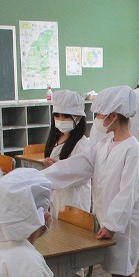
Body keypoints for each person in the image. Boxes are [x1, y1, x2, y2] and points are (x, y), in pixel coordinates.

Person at [43, 86, 139, 277]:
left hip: (122, 224)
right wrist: (43, 177)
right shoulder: (104, 144)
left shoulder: (132, 150)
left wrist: (112, 224)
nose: (97, 120)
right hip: (106, 219)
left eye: (100, 114)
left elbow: (128, 193)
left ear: (113, 116)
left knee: (126, 271)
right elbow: (78, 166)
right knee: (115, 270)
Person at [41, 90, 91, 218]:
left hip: (74, 200)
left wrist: (57, 168)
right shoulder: (56, 139)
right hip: (58, 198)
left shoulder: (82, 144)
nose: (60, 120)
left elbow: (78, 174)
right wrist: (51, 166)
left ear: (78, 118)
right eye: (57, 115)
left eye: (66, 116)